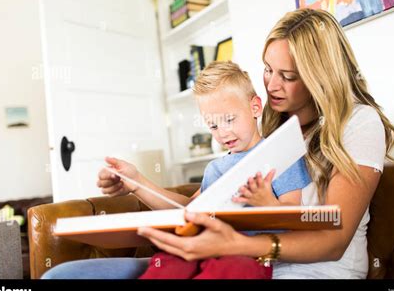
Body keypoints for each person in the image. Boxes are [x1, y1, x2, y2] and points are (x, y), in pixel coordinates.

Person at [44, 8, 394, 279]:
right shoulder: (273, 129)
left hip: (306, 271)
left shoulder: (358, 123)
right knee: (65, 276)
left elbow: (333, 240)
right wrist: (136, 181)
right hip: (225, 254)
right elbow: (201, 206)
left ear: (319, 76)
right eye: (267, 69)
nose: (271, 84)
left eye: (287, 76)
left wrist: (236, 245)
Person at [42, 61, 311, 279]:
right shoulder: (216, 168)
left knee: (235, 269)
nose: (223, 132)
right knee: (170, 260)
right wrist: (137, 182)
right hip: (203, 247)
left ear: (254, 107)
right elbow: (185, 210)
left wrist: (265, 202)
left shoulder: (279, 155)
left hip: (250, 256)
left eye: (229, 119)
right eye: (213, 125)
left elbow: (294, 221)